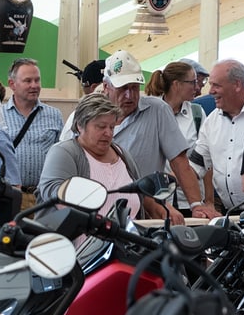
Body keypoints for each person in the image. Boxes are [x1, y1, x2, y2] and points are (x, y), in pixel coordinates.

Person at [61, 50, 216, 222]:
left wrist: (196, 204)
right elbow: (66, 162)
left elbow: (180, 161)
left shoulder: (158, 110)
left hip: (148, 213)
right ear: (106, 86)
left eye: (134, 88)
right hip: (93, 213)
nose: (130, 95)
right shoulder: (82, 116)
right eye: (123, 88)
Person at [38, 94, 147, 219]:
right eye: (101, 127)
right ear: (80, 125)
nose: (108, 133)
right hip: (80, 238)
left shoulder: (122, 155)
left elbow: (140, 193)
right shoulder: (64, 152)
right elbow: (53, 192)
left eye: (112, 127)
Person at [193, 59, 244, 211]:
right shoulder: (212, 120)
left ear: (237, 85)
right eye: (210, 85)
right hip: (229, 213)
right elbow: (196, 164)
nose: (210, 91)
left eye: (216, 85)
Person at [145, 61, 206, 214]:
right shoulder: (150, 112)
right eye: (192, 82)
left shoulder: (197, 114)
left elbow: (206, 157)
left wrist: (209, 201)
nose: (197, 88)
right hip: (157, 201)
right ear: (176, 84)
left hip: (190, 202)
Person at [3, 58, 63, 207]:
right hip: (10, 196)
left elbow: (61, 155)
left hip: (45, 197)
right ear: (12, 84)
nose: (34, 86)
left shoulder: (54, 115)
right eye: (28, 81)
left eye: (37, 80)